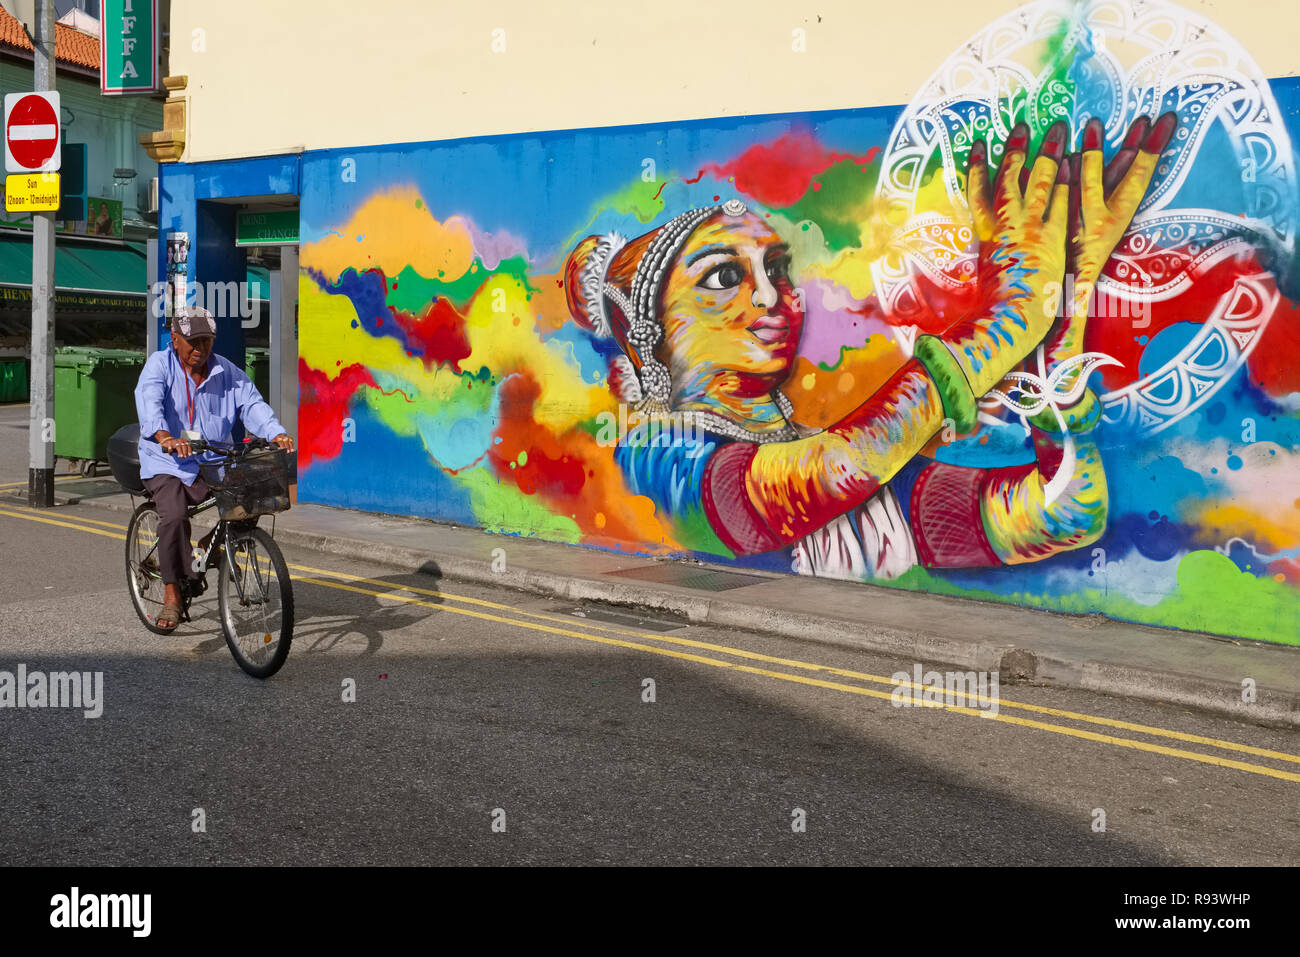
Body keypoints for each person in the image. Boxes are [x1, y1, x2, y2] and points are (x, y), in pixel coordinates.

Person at [564, 114, 1177, 580]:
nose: (773, 298)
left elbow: (1061, 514)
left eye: (777, 270)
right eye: (725, 277)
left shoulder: (842, 454)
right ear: (646, 330)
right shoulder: (649, 458)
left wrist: (1061, 307)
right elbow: (824, 477)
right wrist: (1008, 315)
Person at [134, 306, 296, 630]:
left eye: (206, 341)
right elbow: (148, 401)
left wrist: (275, 432)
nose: (200, 349)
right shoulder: (159, 366)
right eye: (193, 342)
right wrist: (164, 436)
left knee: (253, 493)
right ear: (175, 340)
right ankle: (171, 595)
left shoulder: (227, 372)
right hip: (166, 461)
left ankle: (211, 546)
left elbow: (252, 404)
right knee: (175, 515)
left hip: (211, 460)